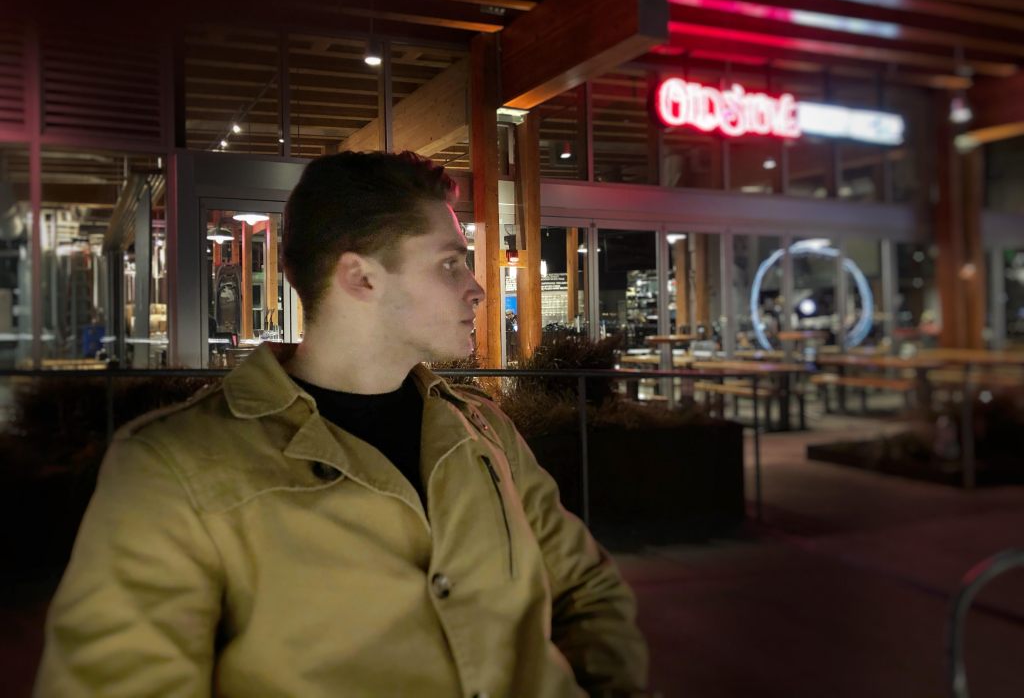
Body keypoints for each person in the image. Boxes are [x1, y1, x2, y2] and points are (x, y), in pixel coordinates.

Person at [35, 152, 649, 697]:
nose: (477, 289)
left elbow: (586, 590)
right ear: (360, 277)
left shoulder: (483, 429)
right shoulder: (170, 467)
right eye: (449, 264)